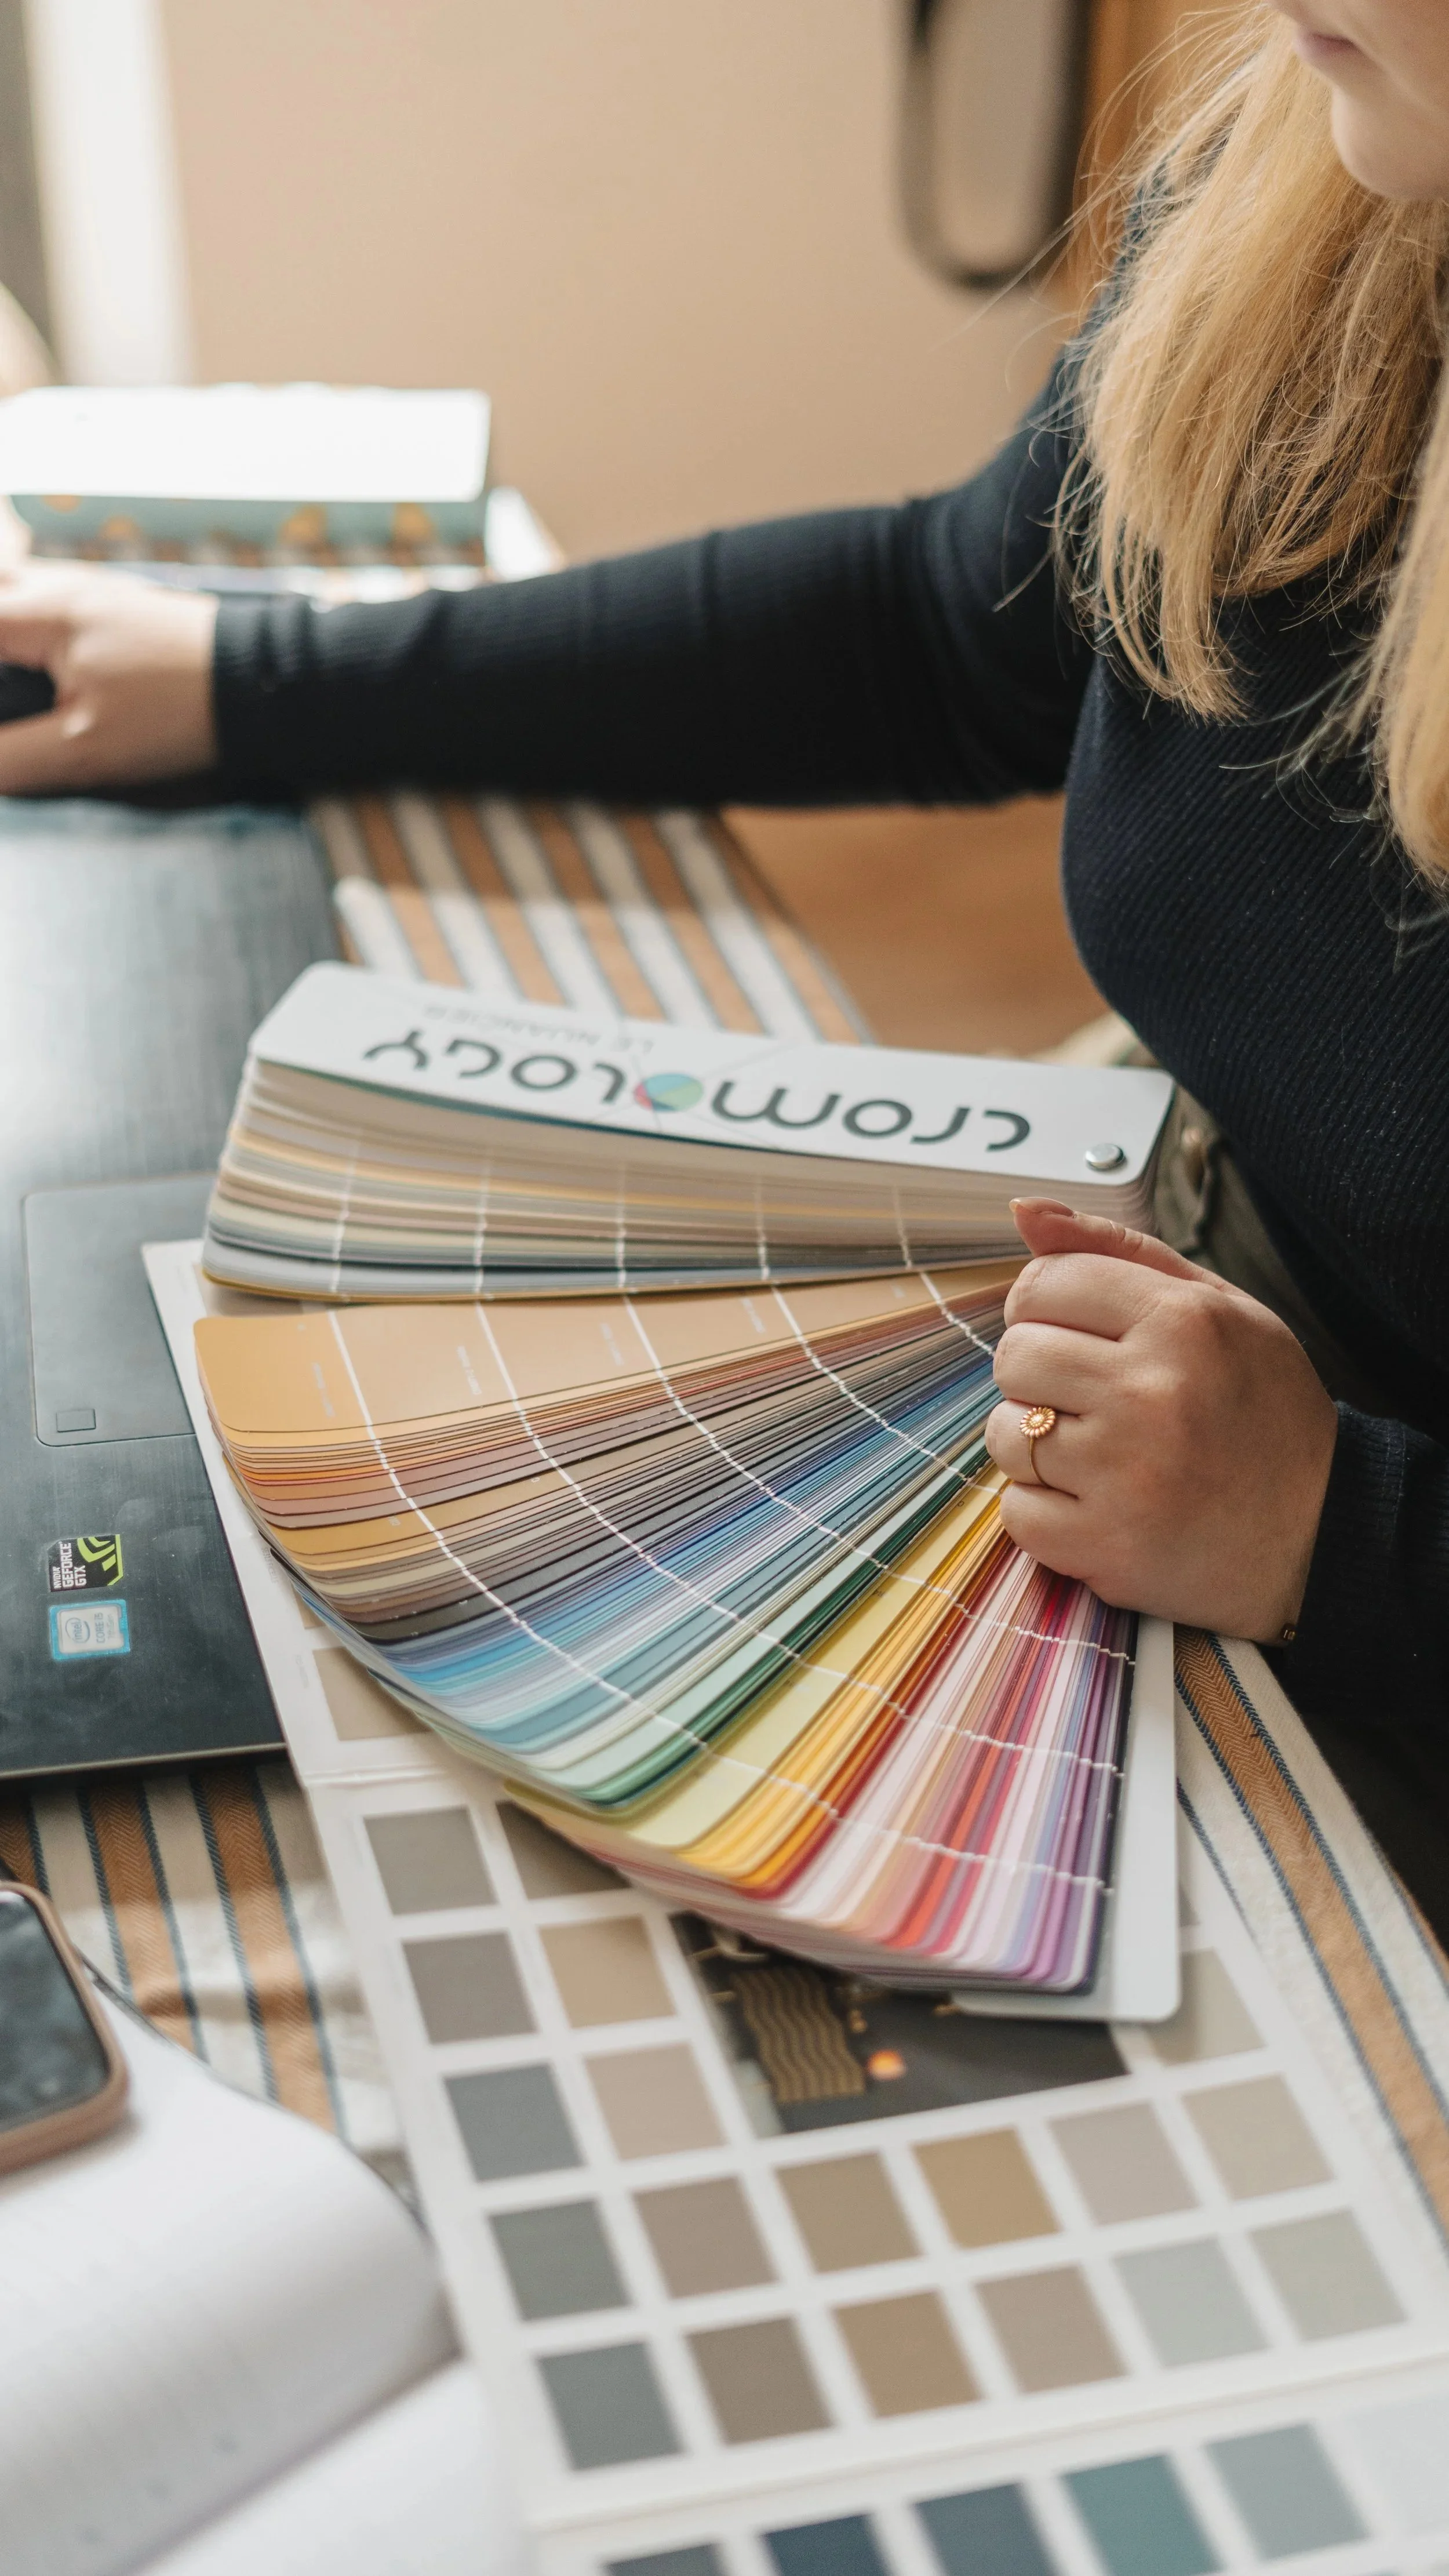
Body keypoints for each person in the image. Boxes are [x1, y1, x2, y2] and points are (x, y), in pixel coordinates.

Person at [0, 5, 1445, 1833]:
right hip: (1184, 1301)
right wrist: (249, 678)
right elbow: (939, 634)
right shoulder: (1321, 176)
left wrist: (1337, 1530)